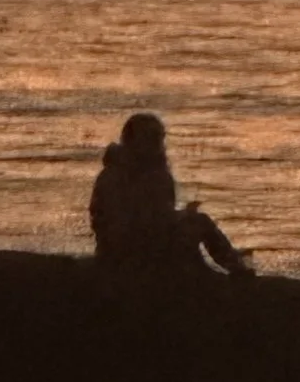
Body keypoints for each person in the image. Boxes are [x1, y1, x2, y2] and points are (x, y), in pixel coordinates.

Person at [88, 110, 254, 281]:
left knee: (193, 221)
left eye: (158, 138)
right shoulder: (118, 176)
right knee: (199, 221)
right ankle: (234, 269)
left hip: (134, 247)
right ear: (133, 141)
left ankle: (229, 267)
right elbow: (138, 222)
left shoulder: (149, 172)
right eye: (151, 138)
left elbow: (158, 216)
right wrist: (180, 217)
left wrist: (178, 216)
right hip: (126, 253)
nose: (157, 144)